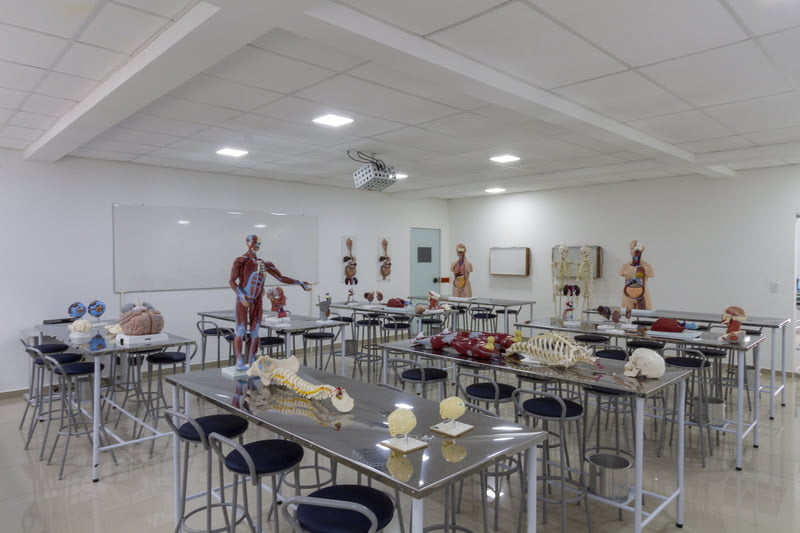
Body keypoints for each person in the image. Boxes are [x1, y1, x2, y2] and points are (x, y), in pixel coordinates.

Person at [230, 234, 311, 370]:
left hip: (257, 300)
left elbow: (281, 278)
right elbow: (232, 281)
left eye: (259, 243)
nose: (257, 245)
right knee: (241, 330)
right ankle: (239, 361)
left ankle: (252, 361)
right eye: (254, 242)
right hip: (244, 298)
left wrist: (300, 283)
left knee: (255, 332)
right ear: (248, 243)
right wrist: (242, 296)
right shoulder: (241, 260)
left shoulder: (265, 264)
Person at [619, 240, 654, 310]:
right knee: (627, 314)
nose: (634, 251)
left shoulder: (647, 267)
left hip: (642, 294)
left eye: (637, 249)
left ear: (642, 250)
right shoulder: (624, 267)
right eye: (632, 248)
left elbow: (650, 274)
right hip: (627, 295)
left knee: (643, 314)